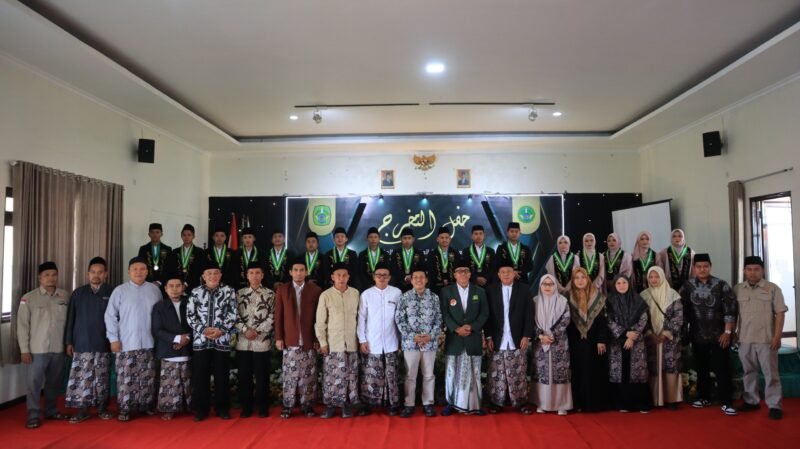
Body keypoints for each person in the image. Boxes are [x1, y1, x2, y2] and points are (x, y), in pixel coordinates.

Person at [104, 257, 162, 422]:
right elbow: (110, 316)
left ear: (147, 271)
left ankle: (146, 406)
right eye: (135, 269)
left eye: (142, 268)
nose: (138, 272)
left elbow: (161, 316)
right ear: (129, 271)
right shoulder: (120, 291)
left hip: (150, 343)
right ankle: (125, 408)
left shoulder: (154, 290)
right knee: (126, 377)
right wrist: (113, 339)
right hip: (126, 343)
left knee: (148, 376)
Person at [679, 254, 737, 416]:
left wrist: (727, 332)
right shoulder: (687, 286)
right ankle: (704, 397)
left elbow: (730, 310)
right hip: (697, 335)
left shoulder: (721, 285)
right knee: (701, 368)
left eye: (705, 266)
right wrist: (685, 333)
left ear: (710, 266)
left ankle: (727, 401)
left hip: (719, 335)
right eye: (699, 266)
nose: (702, 269)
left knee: (722, 368)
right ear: (694, 268)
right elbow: (681, 311)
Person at [18, 261, 70, 429]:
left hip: (58, 349)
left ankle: (51, 410)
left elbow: (70, 323)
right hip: (36, 350)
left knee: (53, 383)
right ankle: (33, 415)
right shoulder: (29, 298)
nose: (51, 278)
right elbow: (22, 326)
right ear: (40, 277)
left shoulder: (65, 296)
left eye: (54, 274)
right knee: (34, 384)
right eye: (47, 275)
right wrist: (24, 350)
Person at [734, 255, 787, 420]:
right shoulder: (737, 289)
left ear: (762, 270)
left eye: (756, 269)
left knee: (771, 373)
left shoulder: (773, 288)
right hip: (744, 338)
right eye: (749, 269)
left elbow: (780, 313)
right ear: (744, 271)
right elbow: (732, 314)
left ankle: (774, 405)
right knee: (748, 372)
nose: (752, 273)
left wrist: (777, 336)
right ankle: (751, 401)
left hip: (766, 339)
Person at [64, 257, 113, 423]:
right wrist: (69, 341)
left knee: (102, 377)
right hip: (82, 343)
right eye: (93, 272)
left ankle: (102, 408)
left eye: (100, 272)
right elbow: (71, 318)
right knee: (82, 378)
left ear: (105, 274)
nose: (96, 275)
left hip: (103, 342)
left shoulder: (112, 292)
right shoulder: (78, 293)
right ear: (87, 274)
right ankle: (82, 409)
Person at [187, 259, 237, 421]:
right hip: (201, 341)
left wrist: (221, 330)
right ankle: (201, 409)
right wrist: (203, 329)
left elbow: (233, 313)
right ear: (203, 276)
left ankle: (222, 408)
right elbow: (190, 315)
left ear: (221, 275)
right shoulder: (195, 292)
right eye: (209, 273)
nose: (213, 276)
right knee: (200, 376)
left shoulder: (229, 291)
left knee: (222, 375)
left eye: (216, 273)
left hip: (221, 340)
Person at [440, 258, 489, 416]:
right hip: (454, 339)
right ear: (454, 274)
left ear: (470, 274)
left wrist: (472, 327)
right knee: (451, 371)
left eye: (466, 271)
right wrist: (456, 329)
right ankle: (450, 403)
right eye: (459, 271)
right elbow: (445, 314)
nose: (463, 273)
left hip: (472, 337)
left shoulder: (479, 291)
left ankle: (475, 405)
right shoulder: (446, 292)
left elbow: (484, 313)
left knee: (474, 371)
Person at [275, 258, 322, 419]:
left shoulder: (315, 290)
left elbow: (319, 317)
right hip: (290, 338)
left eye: (302, 270)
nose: (299, 273)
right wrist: (279, 337)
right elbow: (278, 315)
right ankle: (288, 405)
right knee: (290, 375)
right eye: (296, 270)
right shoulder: (283, 289)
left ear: (307, 272)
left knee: (308, 374)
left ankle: (307, 405)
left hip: (309, 339)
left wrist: (317, 338)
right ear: (290, 272)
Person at [485, 260, 534, 414]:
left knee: (518, 371)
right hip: (498, 338)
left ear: (515, 274)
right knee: (496, 372)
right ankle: (496, 403)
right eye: (503, 272)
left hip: (517, 337)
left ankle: (520, 403)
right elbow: (488, 316)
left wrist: (527, 335)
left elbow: (529, 314)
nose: (506, 274)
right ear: (498, 275)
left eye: (509, 271)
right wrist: (488, 337)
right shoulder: (490, 290)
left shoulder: (525, 290)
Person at [395, 265, 442, 418]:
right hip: (411, 343)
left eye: (422, 277)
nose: (419, 280)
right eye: (415, 277)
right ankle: (409, 404)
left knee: (429, 375)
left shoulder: (434, 297)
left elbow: (439, 319)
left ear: (426, 280)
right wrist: (412, 336)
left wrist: (430, 336)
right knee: (410, 376)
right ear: (411, 280)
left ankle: (428, 403)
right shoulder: (404, 297)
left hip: (430, 343)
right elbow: (399, 319)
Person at [316, 262, 361, 419]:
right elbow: (320, 322)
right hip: (333, 343)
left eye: (344, 275)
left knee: (350, 375)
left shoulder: (355, 294)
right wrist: (323, 343)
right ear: (332, 277)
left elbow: (360, 319)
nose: (341, 278)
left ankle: (347, 405)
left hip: (351, 343)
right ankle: (330, 405)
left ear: (348, 277)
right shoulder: (326, 295)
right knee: (331, 376)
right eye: (338, 275)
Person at [357, 263, 403, 416]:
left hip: (392, 341)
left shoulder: (397, 293)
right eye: (379, 275)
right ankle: (370, 403)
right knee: (371, 374)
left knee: (392, 374)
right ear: (374, 277)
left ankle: (392, 403)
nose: (382, 277)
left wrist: (402, 339)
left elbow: (401, 318)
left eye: (385, 275)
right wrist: (362, 339)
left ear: (389, 277)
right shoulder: (366, 294)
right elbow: (361, 319)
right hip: (372, 342)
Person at [235, 262, 276, 418]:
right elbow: (234, 316)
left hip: (262, 341)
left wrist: (257, 330)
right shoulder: (239, 294)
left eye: (257, 272)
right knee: (244, 376)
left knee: (262, 376)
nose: (254, 276)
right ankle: (246, 407)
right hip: (243, 342)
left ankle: (263, 407)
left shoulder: (270, 294)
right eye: (251, 273)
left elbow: (273, 315)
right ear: (246, 275)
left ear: (262, 275)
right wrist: (245, 330)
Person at [565, 267, 609, 412]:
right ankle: (577, 403)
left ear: (588, 279)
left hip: (594, 341)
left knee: (592, 371)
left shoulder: (598, 297)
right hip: (574, 341)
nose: (580, 281)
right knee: (577, 372)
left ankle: (592, 404)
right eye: (576, 278)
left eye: (582, 277)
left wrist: (601, 340)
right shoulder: (567, 296)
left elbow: (603, 321)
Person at [151, 271, 192, 420]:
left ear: (183, 287)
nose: (174, 289)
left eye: (178, 286)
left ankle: (190, 406)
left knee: (188, 379)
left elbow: (198, 324)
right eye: (171, 286)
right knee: (169, 381)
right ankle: (169, 408)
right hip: (168, 348)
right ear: (166, 289)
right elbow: (156, 330)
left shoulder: (190, 303)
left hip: (188, 346)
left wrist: (186, 338)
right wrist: (176, 339)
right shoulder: (159, 306)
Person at [606, 275, 651, 413]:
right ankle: (622, 404)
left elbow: (644, 318)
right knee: (620, 372)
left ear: (629, 284)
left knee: (637, 372)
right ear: (614, 285)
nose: (621, 285)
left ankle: (641, 404)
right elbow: (608, 320)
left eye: (624, 282)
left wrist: (632, 336)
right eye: (618, 283)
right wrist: (625, 333)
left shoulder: (638, 299)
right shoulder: (609, 301)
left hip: (636, 342)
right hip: (617, 342)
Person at [641, 266, 684, 409]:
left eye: (656, 276)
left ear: (662, 277)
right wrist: (649, 334)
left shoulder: (673, 295)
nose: (653, 280)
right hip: (651, 339)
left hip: (669, 339)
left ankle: (671, 399)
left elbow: (678, 317)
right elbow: (640, 317)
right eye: (651, 277)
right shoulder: (644, 295)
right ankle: (654, 399)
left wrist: (666, 334)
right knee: (653, 367)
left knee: (670, 367)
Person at [530, 274, 572, 415]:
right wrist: (541, 335)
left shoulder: (562, 301)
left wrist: (552, 335)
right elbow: (530, 321)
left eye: (551, 284)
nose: (547, 287)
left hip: (558, 342)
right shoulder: (534, 301)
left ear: (555, 286)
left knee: (559, 373)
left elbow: (566, 320)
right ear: (540, 286)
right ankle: (541, 403)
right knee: (542, 372)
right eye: (544, 284)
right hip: (540, 342)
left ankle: (562, 404)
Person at [167, 224, 206, 290]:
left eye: (189, 235)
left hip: (194, 286)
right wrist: (179, 283)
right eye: (184, 235)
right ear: (181, 236)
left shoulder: (200, 252)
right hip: (177, 286)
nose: (186, 237)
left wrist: (186, 284)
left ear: (193, 236)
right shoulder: (175, 252)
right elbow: (172, 269)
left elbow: (199, 270)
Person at [390, 228, 425, 292]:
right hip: (399, 285)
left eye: (409, 238)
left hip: (415, 285)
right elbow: (393, 269)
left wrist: (411, 276)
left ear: (413, 239)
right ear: (401, 239)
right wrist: (405, 277)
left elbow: (422, 269)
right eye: (405, 238)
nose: (407, 240)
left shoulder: (419, 253)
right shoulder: (395, 253)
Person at [428, 227, 458, 297]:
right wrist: (441, 281)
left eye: (446, 238)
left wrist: (449, 280)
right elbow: (431, 272)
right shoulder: (432, 254)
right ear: (437, 239)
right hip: (436, 288)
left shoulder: (456, 254)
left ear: (450, 239)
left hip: (452, 287)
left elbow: (457, 270)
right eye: (442, 238)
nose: (444, 240)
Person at [358, 227, 390, 291]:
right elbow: (360, 272)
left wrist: (379, 283)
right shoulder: (362, 254)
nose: (373, 239)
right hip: (366, 286)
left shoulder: (385, 254)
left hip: (382, 285)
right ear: (367, 239)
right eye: (371, 237)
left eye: (375, 237)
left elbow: (388, 271)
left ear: (379, 239)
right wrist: (369, 284)